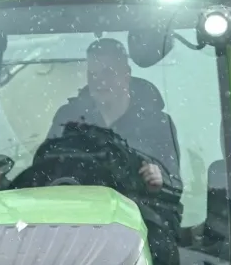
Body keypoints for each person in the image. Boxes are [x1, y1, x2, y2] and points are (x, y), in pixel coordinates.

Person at [47, 37, 182, 195]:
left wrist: (160, 181)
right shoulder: (68, 118)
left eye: (108, 73)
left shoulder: (158, 125)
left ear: (126, 74)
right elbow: (44, 169)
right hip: (76, 206)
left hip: (140, 207)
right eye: (93, 74)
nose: (100, 81)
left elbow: (175, 185)